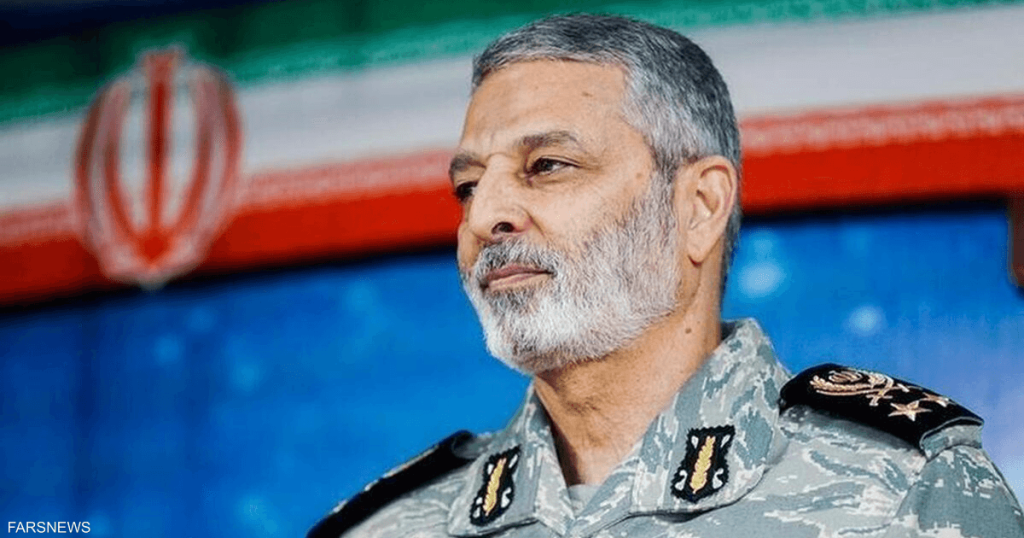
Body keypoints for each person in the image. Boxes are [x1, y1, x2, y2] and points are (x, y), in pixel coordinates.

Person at [309, 14, 1024, 538]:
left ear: (699, 206)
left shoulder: (905, 494)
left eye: (546, 166)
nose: (484, 216)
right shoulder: (389, 527)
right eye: (467, 186)